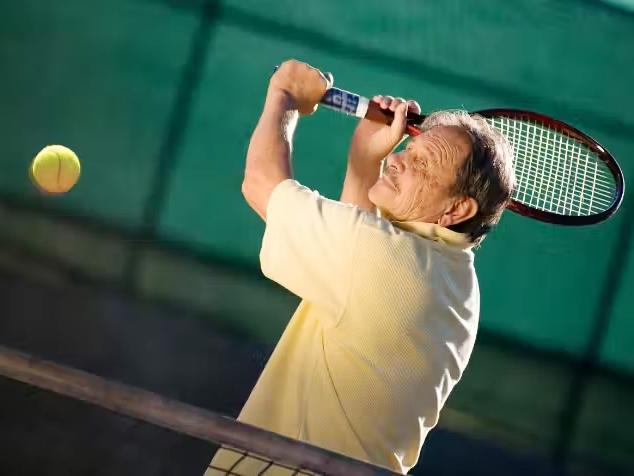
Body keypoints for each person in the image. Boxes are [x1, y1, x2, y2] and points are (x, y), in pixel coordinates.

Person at [206, 60, 515, 475]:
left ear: (457, 209)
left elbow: (260, 181)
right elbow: (358, 274)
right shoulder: (454, 280)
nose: (400, 160)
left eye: (423, 165)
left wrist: (285, 96)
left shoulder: (390, 260)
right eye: (409, 149)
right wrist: (364, 161)